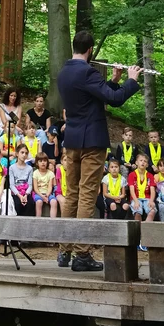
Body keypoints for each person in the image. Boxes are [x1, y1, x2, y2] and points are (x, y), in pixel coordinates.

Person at [56, 30, 141, 272]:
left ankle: (65, 250)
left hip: (71, 140)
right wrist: (131, 80)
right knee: (86, 194)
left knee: (71, 193)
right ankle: (82, 254)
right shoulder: (87, 72)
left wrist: (113, 80)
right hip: (91, 142)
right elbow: (115, 100)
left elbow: (93, 97)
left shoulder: (65, 72)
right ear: (90, 49)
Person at [128, 153, 156, 232]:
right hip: (136, 198)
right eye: (141, 160)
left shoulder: (150, 175)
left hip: (147, 198)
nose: (143, 162)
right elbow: (131, 190)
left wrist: (151, 200)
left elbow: (152, 190)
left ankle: (145, 231)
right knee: (137, 212)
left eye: (145, 161)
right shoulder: (132, 175)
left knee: (152, 211)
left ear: (147, 165)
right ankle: (139, 232)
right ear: (136, 162)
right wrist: (136, 201)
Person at [9, 143, 34, 217]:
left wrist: (26, 195)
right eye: (22, 152)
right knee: (17, 203)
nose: (24, 155)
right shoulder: (12, 168)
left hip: (26, 192)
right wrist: (20, 196)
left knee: (30, 203)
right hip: (16, 193)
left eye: (26, 153)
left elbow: (30, 185)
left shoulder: (29, 168)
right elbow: (12, 185)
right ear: (17, 154)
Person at [33, 152, 57, 218]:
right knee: (39, 202)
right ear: (37, 163)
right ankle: (38, 219)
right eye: (40, 161)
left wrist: (46, 195)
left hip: (48, 194)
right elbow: (35, 188)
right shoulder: (35, 173)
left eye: (45, 161)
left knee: (54, 202)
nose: (43, 163)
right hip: (38, 194)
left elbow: (50, 187)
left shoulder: (50, 173)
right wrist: (42, 196)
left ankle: (53, 220)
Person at [55, 148, 67, 216]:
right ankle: (64, 218)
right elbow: (60, 183)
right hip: (60, 193)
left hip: (70, 193)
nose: (67, 162)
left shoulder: (72, 170)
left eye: (68, 160)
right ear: (61, 161)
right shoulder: (59, 170)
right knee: (63, 201)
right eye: (65, 160)